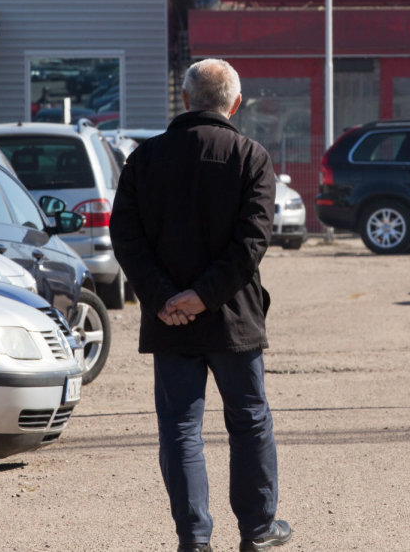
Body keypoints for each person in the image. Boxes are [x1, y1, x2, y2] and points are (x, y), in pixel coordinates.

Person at [108, 58, 291, 552]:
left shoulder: (144, 159)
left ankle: (194, 539)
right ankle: (257, 530)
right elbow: (252, 242)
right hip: (233, 318)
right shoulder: (250, 156)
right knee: (249, 419)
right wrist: (204, 295)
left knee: (181, 429)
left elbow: (125, 236)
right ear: (235, 104)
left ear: (185, 101)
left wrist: (166, 296)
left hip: (171, 321)